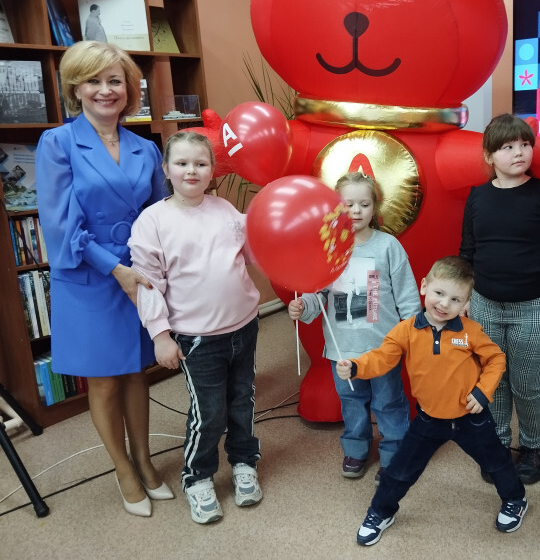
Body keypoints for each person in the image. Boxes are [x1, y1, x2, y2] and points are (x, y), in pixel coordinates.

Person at [35, 40, 171, 517]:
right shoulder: (57, 143)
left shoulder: (146, 147)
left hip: (138, 271)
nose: (105, 90)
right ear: (75, 88)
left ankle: (145, 459)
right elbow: (60, 227)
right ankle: (123, 468)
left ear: (129, 89)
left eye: (115, 80)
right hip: (91, 276)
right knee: (106, 381)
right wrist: (116, 270)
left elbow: (160, 213)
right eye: (93, 80)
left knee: (136, 373)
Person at [335, 256, 527, 546]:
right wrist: (356, 367)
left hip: (470, 418)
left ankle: (515, 499)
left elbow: (496, 359)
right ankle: (380, 512)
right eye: (439, 293)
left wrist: (483, 391)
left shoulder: (470, 332)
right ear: (424, 286)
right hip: (428, 420)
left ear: (466, 304)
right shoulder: (406, 330)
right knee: (400, 470)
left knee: (497, 463)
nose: (444, 304)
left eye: (455, 299)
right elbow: (382, 358)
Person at [128, 131, 263, 525]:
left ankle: (244, 461)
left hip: (244, 326)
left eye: (201, 164)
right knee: (209, 412)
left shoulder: (225, 210)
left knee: (242, 400)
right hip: (197, 338)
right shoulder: (153, 221)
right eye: (182, 163)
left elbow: (251, 253)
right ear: (166, 169)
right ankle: (198, 477)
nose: (192, 170)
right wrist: (160, 335)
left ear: (212, 170)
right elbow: (147, 284)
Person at [459, 113, 540, 484]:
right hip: (484, 304)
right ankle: (497, 442)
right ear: (489, 156)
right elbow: (467, 250)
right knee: (492, 380)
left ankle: (532, 447)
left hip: (532, 305)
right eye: (508, 147)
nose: (519, 152)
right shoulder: (477, 196)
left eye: (525, 144)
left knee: (526, 384)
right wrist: (464, 295)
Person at [288, 171, 420, 483]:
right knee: (352, 402)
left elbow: (407, 295)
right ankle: (356, 449)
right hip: (343, 349)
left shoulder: (388, 246)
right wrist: (303, 305)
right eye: (348, 204)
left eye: (364, 204)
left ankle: (395, 453)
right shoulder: (329, 248)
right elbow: (318, 292)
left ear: (375, 207)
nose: (356, 211)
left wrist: (413, 335)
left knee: (389, 403)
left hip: (382, 347)